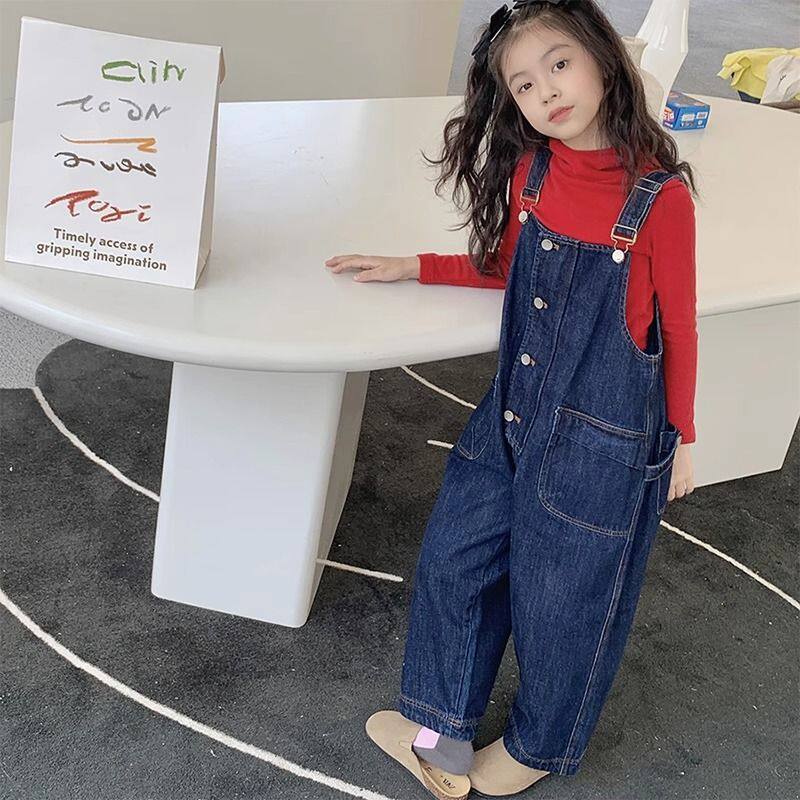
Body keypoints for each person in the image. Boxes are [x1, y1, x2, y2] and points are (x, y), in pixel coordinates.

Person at [325, 0, 698, 796]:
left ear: (605, 59)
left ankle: (536, 747)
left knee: (563, 603)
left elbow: (680, 327)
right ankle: (442, 734)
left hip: (604, 445)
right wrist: (416, 265)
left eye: (559, 64)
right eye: (524, 84)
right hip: (511, 415)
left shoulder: (659, 200)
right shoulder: (536, 172)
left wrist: (682, 441)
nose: (546, 91)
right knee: (454, 561)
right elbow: (507, 265)